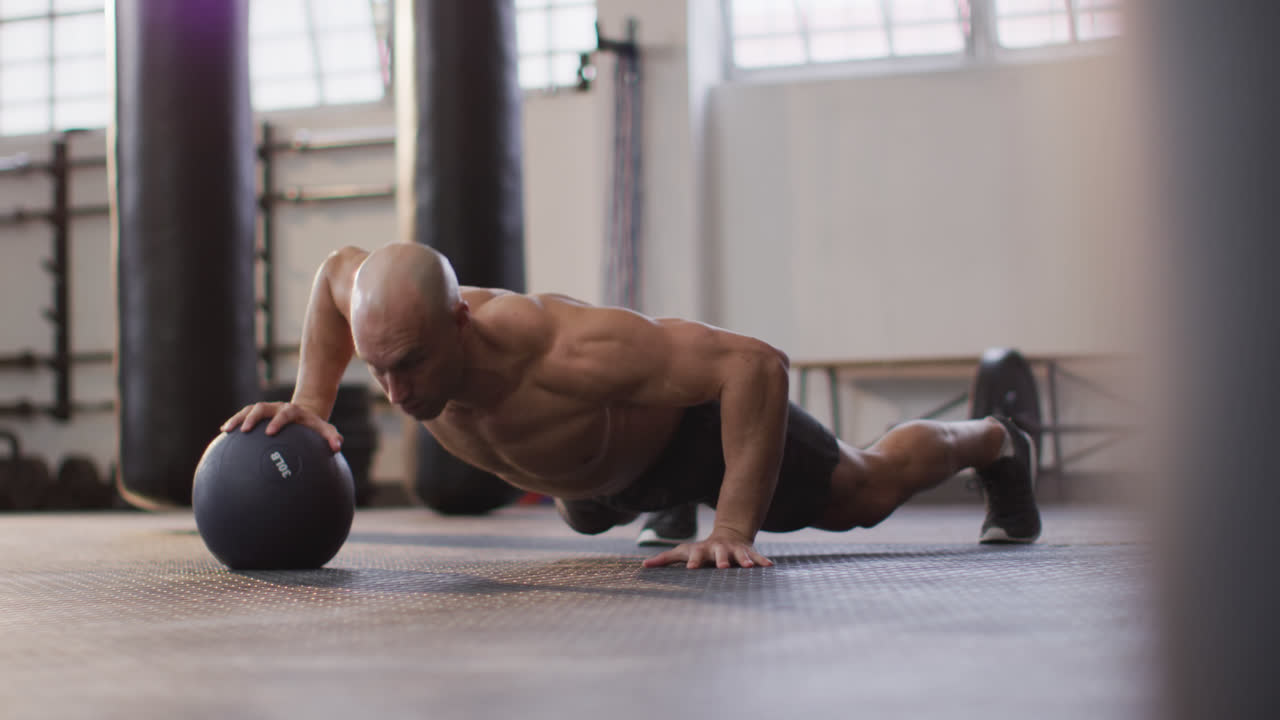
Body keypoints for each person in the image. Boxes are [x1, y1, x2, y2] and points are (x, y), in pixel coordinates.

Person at [222, 243, 1041, 569]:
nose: (397, 396)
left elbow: (756, 366)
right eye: (379, 370)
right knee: (585, 510)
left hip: (688, 444)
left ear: (461, 317)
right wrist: (309, 401)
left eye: (412, 365)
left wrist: (732, 526)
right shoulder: (382, 309)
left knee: (861, 493)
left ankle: (995, 442)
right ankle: (650, 506)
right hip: (597, 480)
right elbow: (336, 273)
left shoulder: (569, 349)